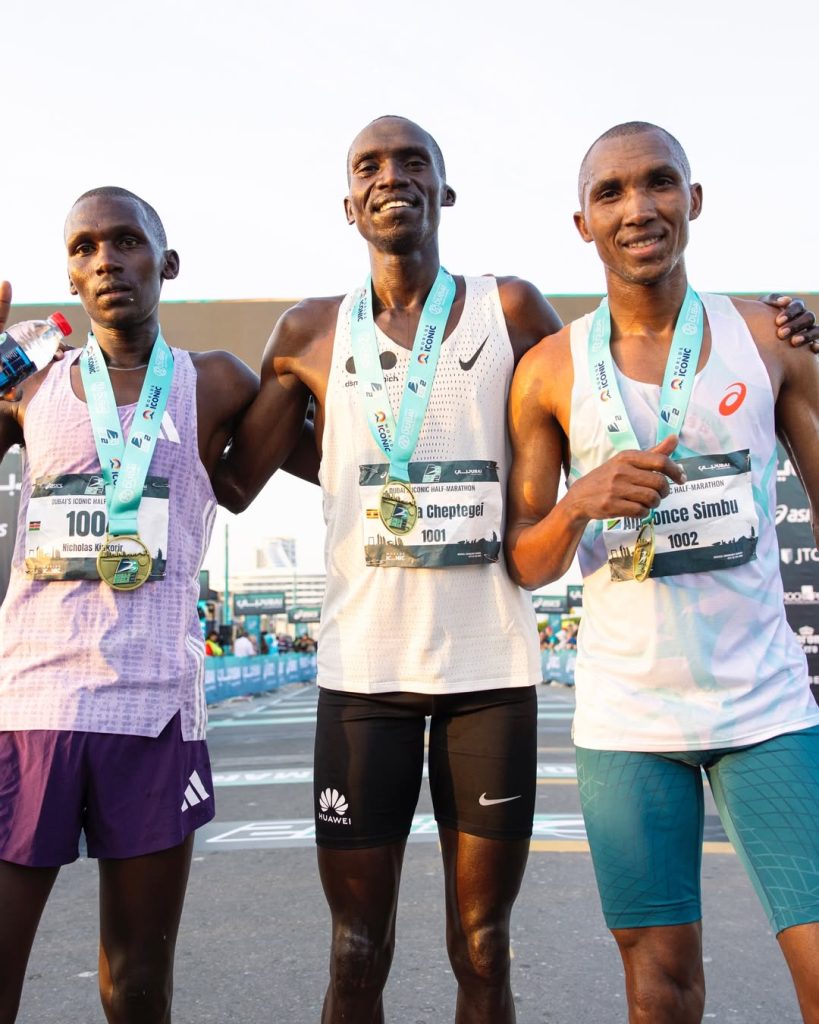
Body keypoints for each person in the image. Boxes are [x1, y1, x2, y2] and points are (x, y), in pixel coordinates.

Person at [213, 115, 819, 1024]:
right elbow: (235, 481)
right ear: (347, 203)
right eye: (369, 167)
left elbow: (582, 406)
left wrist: (791, 328)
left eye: (414, 162)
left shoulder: (527, 315)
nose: (392, 179)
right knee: (358, 951)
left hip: (518, 677)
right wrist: (357, 466)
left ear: (445, 191)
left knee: (485, 946)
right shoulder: (318, 333)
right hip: (408, 682)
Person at [505, 122, 819, 1023]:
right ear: (582, 223)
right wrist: (577, 503)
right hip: (627, 721)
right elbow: (526, 561)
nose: (637, 208)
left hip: (764, 707)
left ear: (693, 200)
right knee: (660, 988)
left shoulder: (766, 336)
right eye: (611, 193)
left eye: (658, 184)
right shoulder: (548, 371)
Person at [0, 186, 269, 1024]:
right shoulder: (29, 382)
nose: (106, 260)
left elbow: (300, 454)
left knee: (137, 987)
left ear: (168, 263)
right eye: (85, 248)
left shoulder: (215, 383)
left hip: (153, 710)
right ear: (70, 278)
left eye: (126, 242)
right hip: (31, 707)